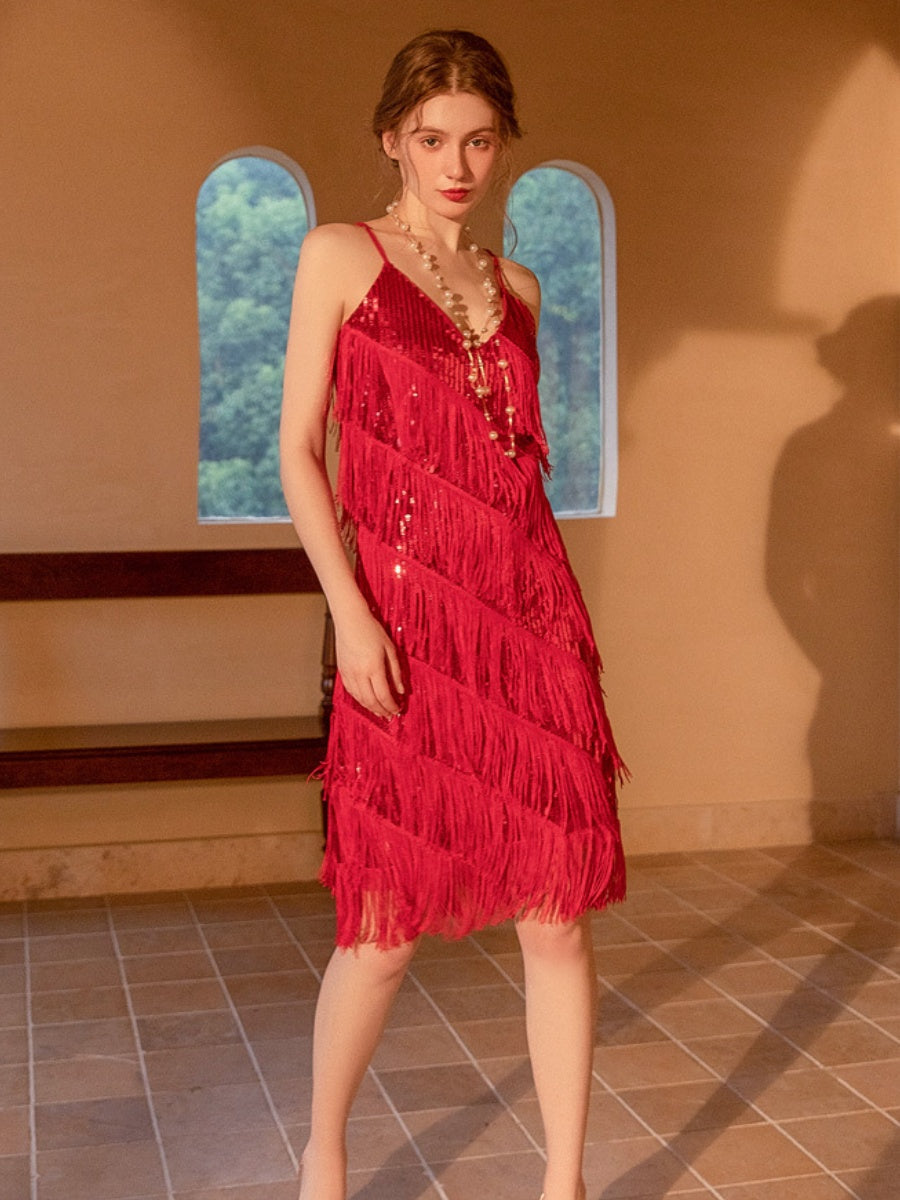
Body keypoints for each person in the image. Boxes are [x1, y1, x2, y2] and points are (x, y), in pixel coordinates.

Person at [279, 29, 626, 1200]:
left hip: (531, 629)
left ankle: (564, 1184)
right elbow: (297, 450)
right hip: (402, 631)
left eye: (480, 141)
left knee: (558, 917)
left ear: (502, 145)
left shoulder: (518, 289)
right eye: (434, 140)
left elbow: (514, 472)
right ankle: (325, 1157)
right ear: (393, 140)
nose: (458, 164)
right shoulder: (340, 255)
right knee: (382, 931)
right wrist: (352, 613)